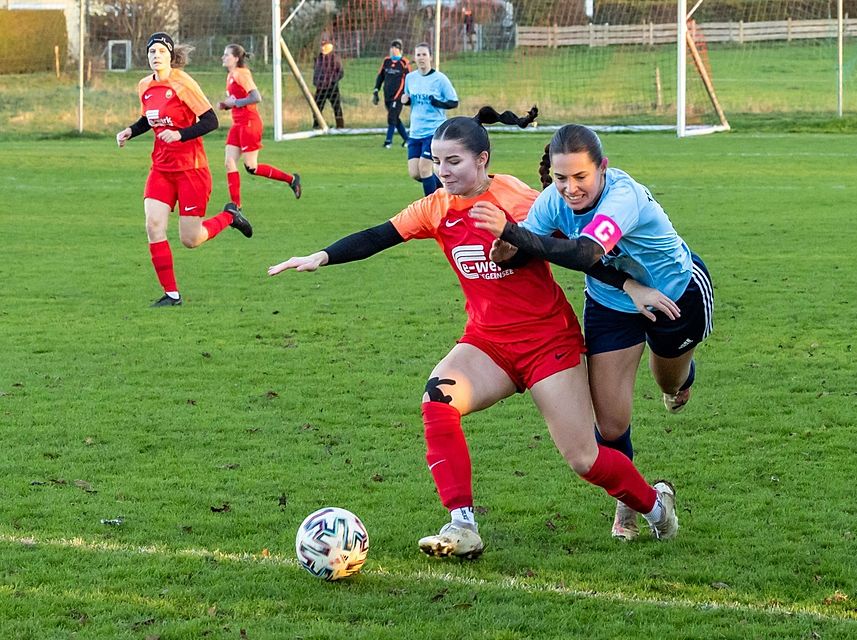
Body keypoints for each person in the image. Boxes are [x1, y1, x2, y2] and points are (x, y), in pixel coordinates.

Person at [268, 107, 679, 559]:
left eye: (453, 162)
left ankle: (656, 507)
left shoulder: (519, 201)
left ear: (482, 159)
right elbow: (379, 236)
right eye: (436, 161)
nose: (442, 171)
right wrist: (322, 257)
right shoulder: (436, 207)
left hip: (549, 344)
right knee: (437, 400)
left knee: (583, 458)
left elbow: (583, 252)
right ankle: (461, 523)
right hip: (488, 343)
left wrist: (629, 284)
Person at [470, 124, 714, 541]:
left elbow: (585, 252)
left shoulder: (623, 196)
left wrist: (512, 233)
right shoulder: (552, 201)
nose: (570, 188)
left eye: (580, 177)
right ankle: (631, 501)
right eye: (561, 178)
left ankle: (682, 378)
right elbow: (528, 250)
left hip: (676, 292)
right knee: (611, 422)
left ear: (603, 168)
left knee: (668, 382)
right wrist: (508, 253)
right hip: (611, 303)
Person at [116, 32, 253, 308]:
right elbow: (148, 119)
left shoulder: (183, 83)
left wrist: (180, 135)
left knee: (190, 239)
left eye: (161, 52)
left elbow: (211, 121)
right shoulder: (144, 85)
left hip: (191, 169)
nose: (156, 56)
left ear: (170, 56)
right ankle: (172, 295)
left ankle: (229, 216)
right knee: (153, 225)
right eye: (152, 52)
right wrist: (131, 130)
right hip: (161, 169)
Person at [219, 43, 301, 211]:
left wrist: (236, 103)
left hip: (249, 123)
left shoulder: (241, 74)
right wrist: (227, 105)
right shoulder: (231, 75)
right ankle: (236, 206)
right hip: (238, 123)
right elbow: (238, 99)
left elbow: (256, 97)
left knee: (251, 167)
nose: (223, 57)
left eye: (226, 55)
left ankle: (292, 179)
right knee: (229, 162)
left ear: (235, 58)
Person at [400, 43, 458, 197]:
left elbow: (454, 102)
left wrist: (438, 103)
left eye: (424, 54)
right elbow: (409, 100)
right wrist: (405, 100)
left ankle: (432, 208)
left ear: (430, 57)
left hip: (434, 131)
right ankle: (444, 191)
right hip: (415, 131)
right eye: (418, 55)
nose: (421, 58)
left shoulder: (440, 79)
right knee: (415, 172)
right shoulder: (410, 78)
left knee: (425, 167)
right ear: (415, 58)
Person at [372, 39, 411, 149]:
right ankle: (407, 139)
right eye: (392, 48)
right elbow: (380, 76)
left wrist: (406, 94)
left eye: (395, 48)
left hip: (398, 96)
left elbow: (408, 80)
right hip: (387, 95)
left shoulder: (404, 63)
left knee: (391, 117)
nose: (393, 50)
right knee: (395, 118)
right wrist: (376, 89)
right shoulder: (386, 61)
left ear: (399, 50)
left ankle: (388, 141)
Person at [312, 39, 344, 129]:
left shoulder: (335, 58)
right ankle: (317, 125)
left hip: (332, 87)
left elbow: (340, 72)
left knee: (336, 107)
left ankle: (340, 126)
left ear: (330, 47)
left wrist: (333, 81)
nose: (322, 48)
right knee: (317, 107)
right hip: (320, 87)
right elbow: (316, 71)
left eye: (324, 46)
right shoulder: (318, 58)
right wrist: (316, 81)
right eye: (321, 46)